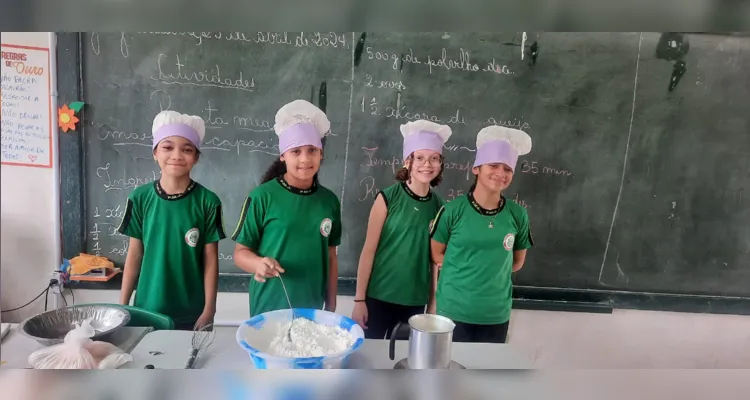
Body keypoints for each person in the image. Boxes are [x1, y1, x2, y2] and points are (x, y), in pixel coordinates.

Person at [232, 99, 341, 317]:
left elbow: (330, 256)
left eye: (312, 150)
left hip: (312, 306)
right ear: (283, 156)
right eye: (296, 151)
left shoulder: (329, 201)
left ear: (321, 154)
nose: (305, 159)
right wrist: (258, 264)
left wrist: (331, 304)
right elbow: (240, 254)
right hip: (269, 304)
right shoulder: (262, 197)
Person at [118, 110, 225, 330]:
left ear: (196, 157)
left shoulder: (208, 201)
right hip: (147, 309)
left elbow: (210, 261)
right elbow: (135, 254)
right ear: (155, 153)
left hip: (192, 314)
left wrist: (209, 310)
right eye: (167, 147)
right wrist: (123, 305)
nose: (177, 155)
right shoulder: (139, 198)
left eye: (187, 149)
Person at [428, 125, 534, 343]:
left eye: (507, 169)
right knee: (449, 375)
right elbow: (437, 255)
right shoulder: (452, 210)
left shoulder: (518, 214)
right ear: (476, 168)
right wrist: (468, 272)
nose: (500, 173)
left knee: (486, 375)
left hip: (495, 315)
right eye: (493, 165)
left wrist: (489, 272)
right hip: (453, 312)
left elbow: (517, 261)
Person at [351, 120, 452, 339]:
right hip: (378, 297)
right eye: (420, 157)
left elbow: (435, 261)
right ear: (408, 161)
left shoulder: (439, 206)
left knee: (404, 364)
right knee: (369, 363)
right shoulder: (388, 197)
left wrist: (433, 305)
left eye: (434, 158)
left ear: (440, 164)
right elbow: (368, 250)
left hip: (414, 303)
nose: (427, 164)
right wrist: (359, 300)